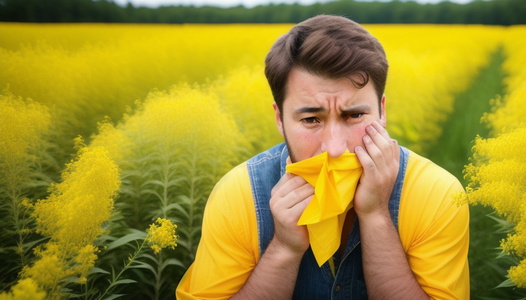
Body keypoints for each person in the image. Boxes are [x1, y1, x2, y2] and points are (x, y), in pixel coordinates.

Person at [176, 15, 469, 300]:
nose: (334, 148)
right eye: (311, 120)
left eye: (354, 115)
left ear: (382, 111)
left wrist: (377, 214)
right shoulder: (237, 196)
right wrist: (283, 249)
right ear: (279, 119)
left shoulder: (437, 194)